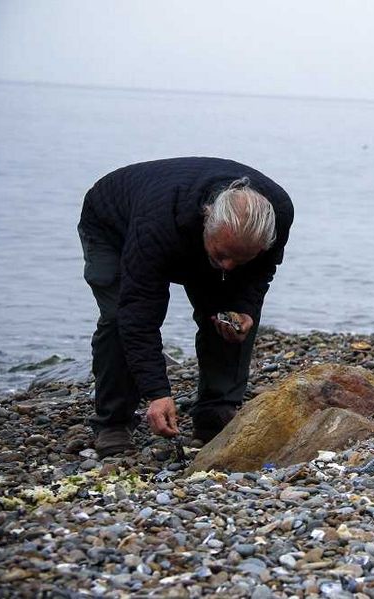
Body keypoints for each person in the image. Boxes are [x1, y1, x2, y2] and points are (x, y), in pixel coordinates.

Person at [77, 157, 294, 457]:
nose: (229, 267)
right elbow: (138, 313)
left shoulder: (279, 212)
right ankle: (113, 421)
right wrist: (158, 393)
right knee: (118, 317)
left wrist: (243, 306)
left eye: (240, 259)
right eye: (222, 255)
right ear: (207, 218)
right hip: (114, 224)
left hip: (187, 231)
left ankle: (215, 411)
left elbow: (260, 272)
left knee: (230, 317)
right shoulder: (157, 223)